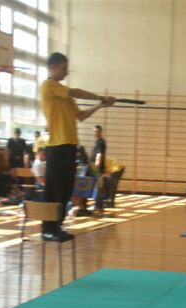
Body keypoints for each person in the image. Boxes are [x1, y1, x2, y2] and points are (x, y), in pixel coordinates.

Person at [40, 52, 116, 241]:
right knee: (55, 188)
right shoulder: (48, 86)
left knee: (66, 188)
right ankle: (48, 228)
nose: (66, 72)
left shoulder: (66, 97)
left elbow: (81, 116)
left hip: (69, 146)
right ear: (53, 67)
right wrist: (100, 97)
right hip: (56, 146)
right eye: (64, 68)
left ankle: (57, 226)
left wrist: (100, 105)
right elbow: (75, 91)